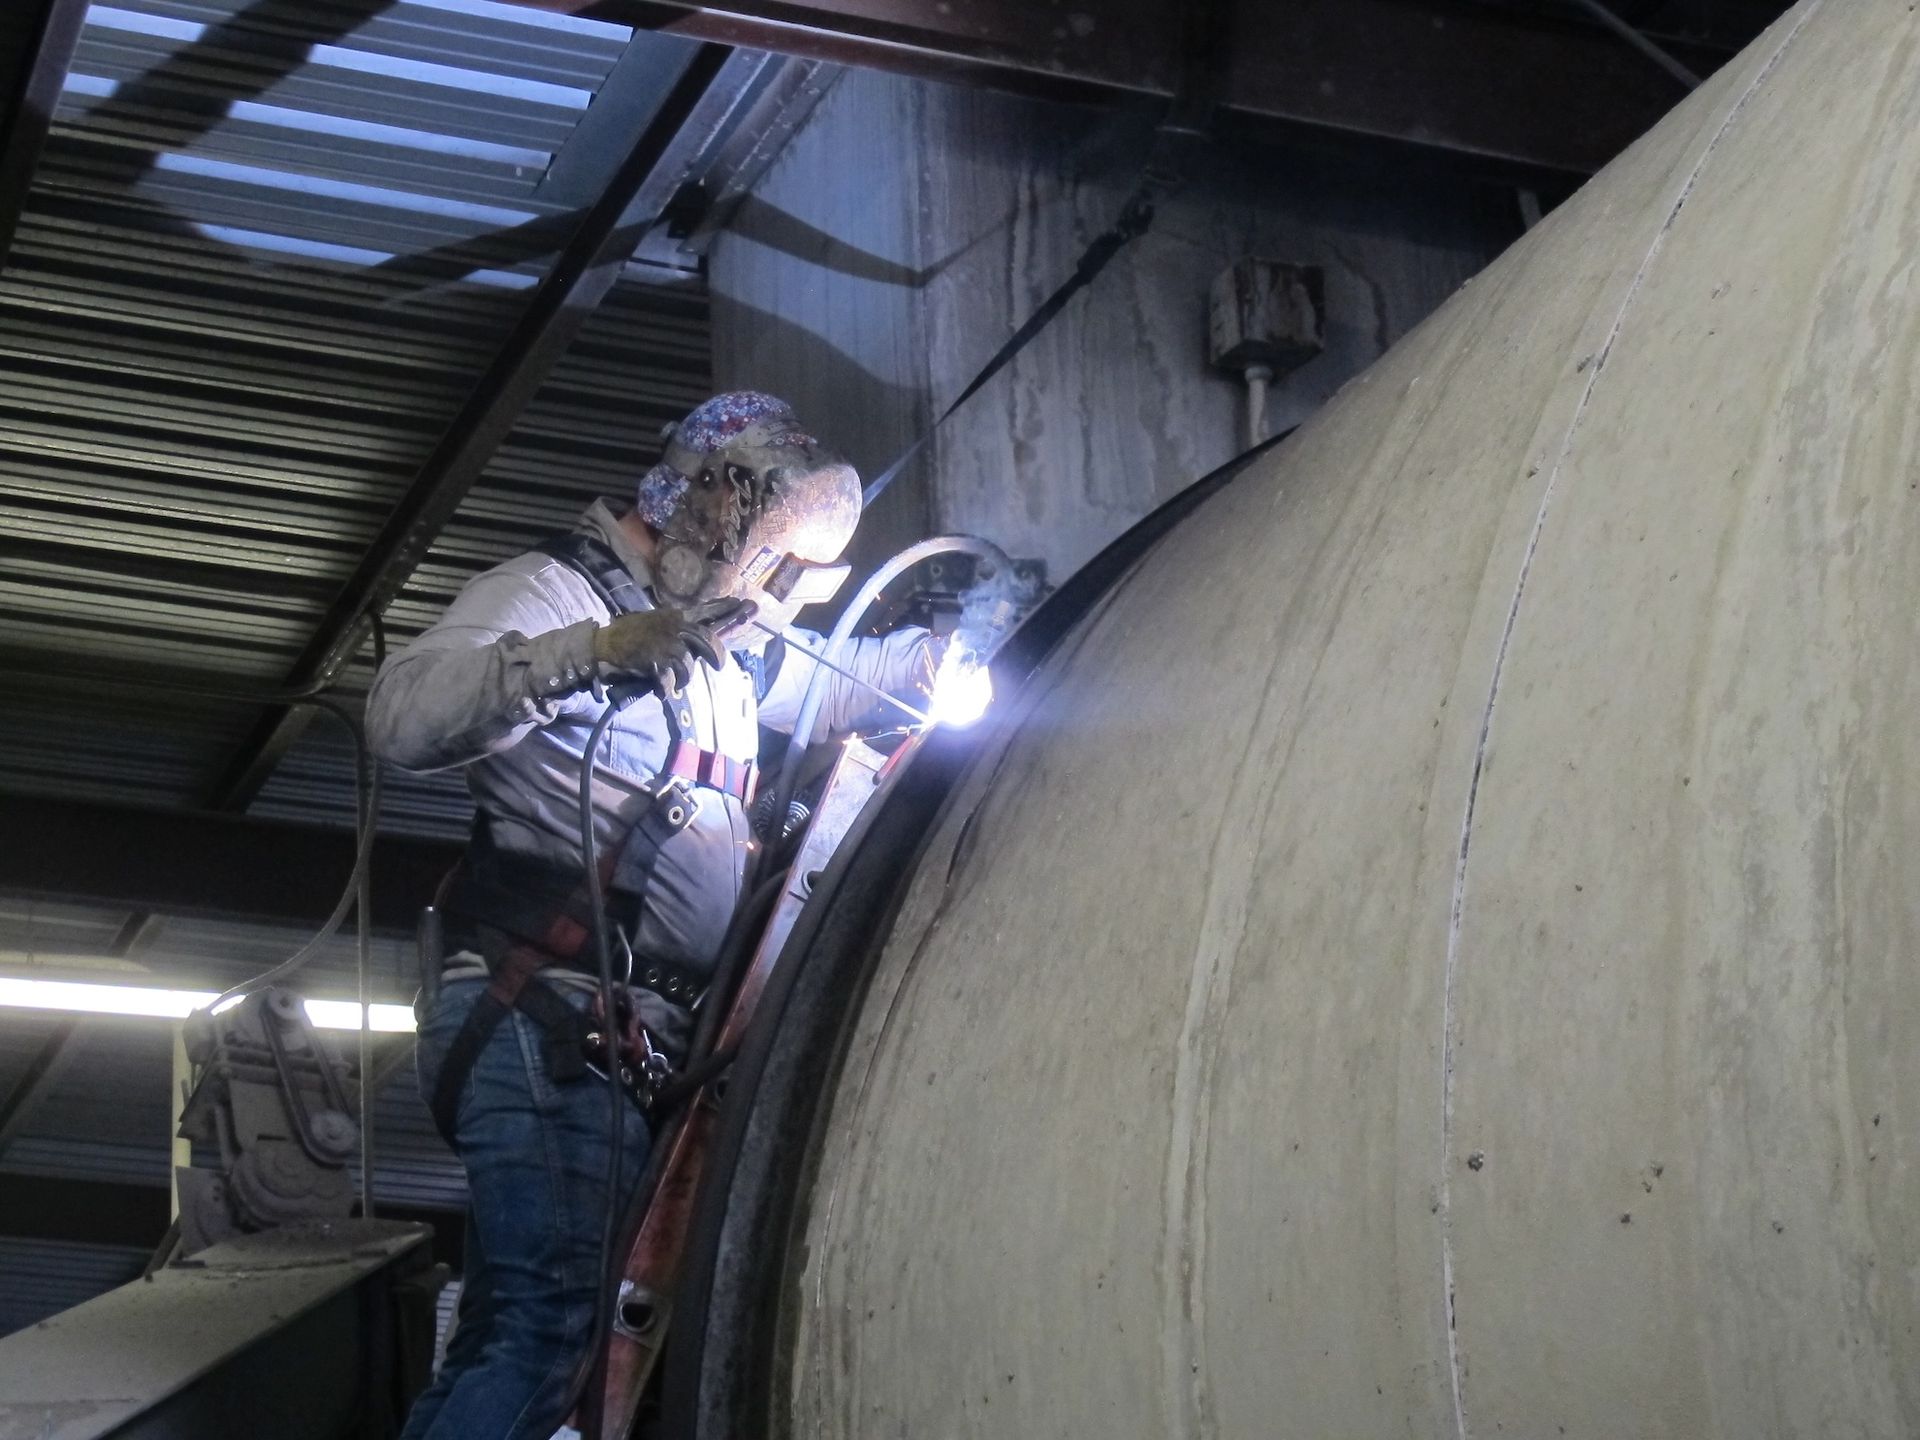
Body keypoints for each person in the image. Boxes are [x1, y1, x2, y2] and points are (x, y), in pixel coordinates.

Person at [367, 391, 937, 1440]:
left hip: (614, 1042)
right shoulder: (552, 593)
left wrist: (942, 664)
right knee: (553, 1341)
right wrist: (594, 651)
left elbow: (826, 688)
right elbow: (403, 716)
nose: (779, 602)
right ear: (715, 510)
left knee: (522, 1332)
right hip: (547, 1019)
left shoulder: (723, 649)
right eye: (774, 566)